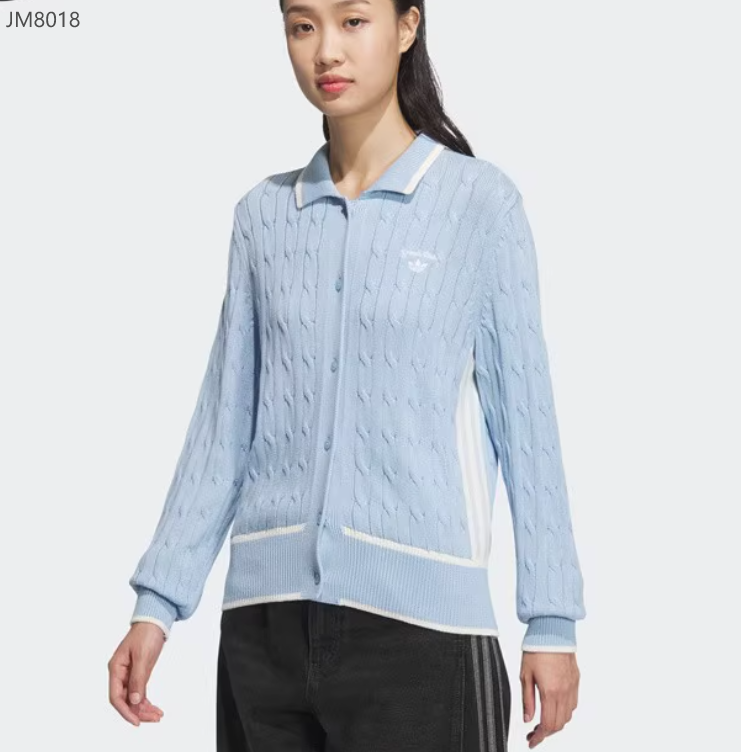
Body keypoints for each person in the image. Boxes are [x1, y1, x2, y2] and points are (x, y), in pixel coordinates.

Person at [107, 1, 587, 750]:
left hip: (422, 634)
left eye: (353, 20)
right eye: (303, 26)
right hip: (262, 632)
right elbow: (224, 422)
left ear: (407, 26)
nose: (325, 50)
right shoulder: (264, 216)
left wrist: (550, 620)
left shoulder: (478, 205)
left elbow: (527, 421)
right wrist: (156, 604)